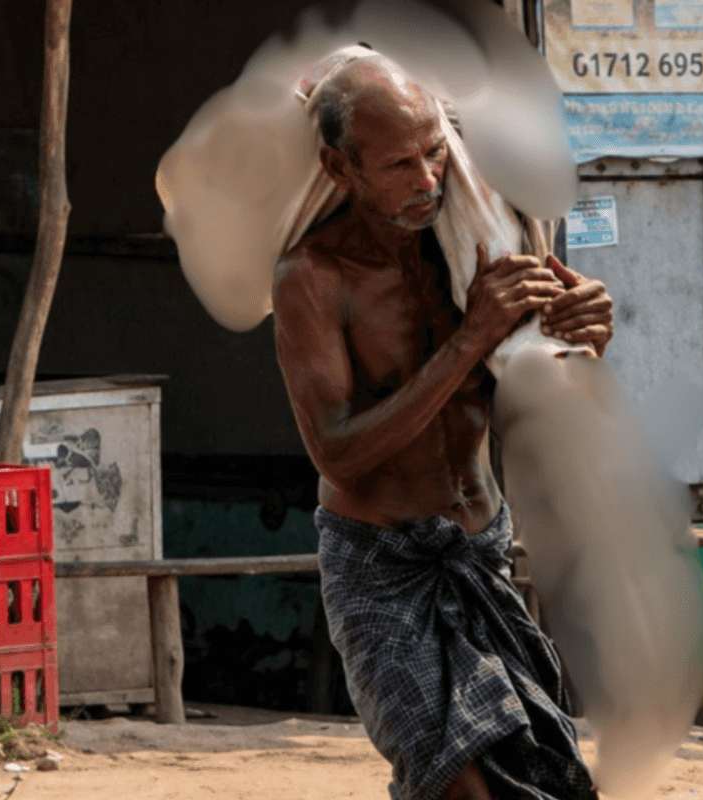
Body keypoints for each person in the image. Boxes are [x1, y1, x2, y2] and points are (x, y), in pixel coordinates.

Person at [271, 56, 614, 800]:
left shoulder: (476, 242)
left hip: (480, 550)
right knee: (456, 786)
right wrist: (468, 342)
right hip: (380, 567)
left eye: (434, 152)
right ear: (340, 165)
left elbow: (549, 400)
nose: (427, 181)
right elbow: (338, 452)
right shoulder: (313, 278)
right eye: (398, 164)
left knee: (537, 778)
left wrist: (584, 337)